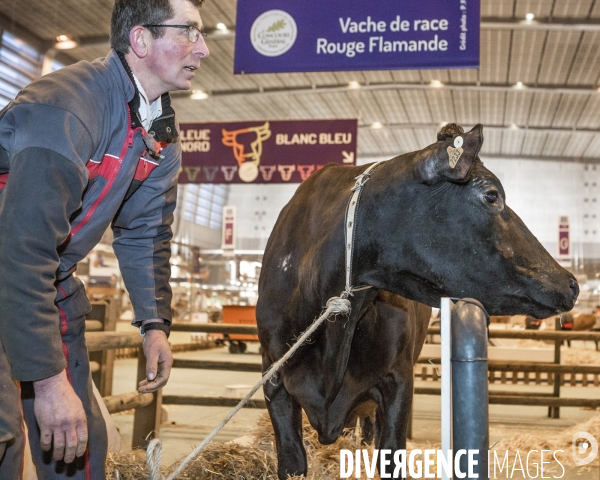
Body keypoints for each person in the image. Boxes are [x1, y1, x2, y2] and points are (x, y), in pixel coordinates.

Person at [0, 0, 209, 477]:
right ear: (141, 40)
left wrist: (153, 323)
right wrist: (49, 383)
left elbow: (145, 234)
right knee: (5, 438)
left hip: (48, 279)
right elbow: (21, 249)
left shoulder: (158, 134)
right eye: (190, 32)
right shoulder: (68, 107)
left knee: (80, 443)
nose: (204, 48)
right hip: (12, 266)